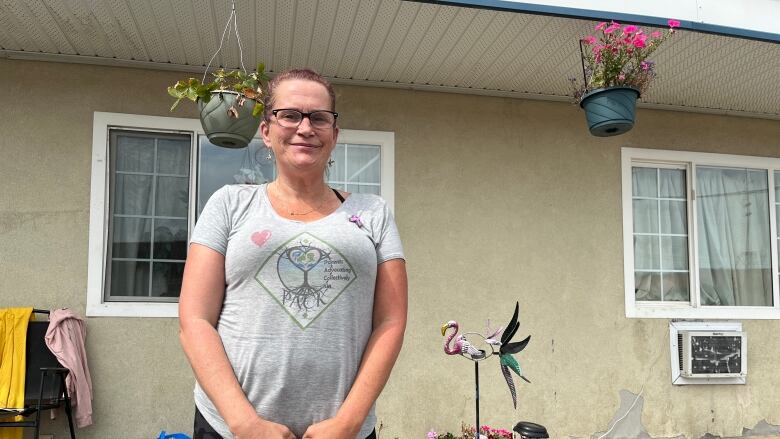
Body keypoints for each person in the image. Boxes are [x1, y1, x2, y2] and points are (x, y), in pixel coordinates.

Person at [178, 68, 407, 439]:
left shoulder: (373, 212)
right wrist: (243, 422)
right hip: (231, 427)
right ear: (266, 131)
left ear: (335, 134)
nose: (305, 127)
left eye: (319, 117)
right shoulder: (229, 204)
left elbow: (390, 322)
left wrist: (348, 422)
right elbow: (194, 319)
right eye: (289, 115)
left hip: (343, 432)